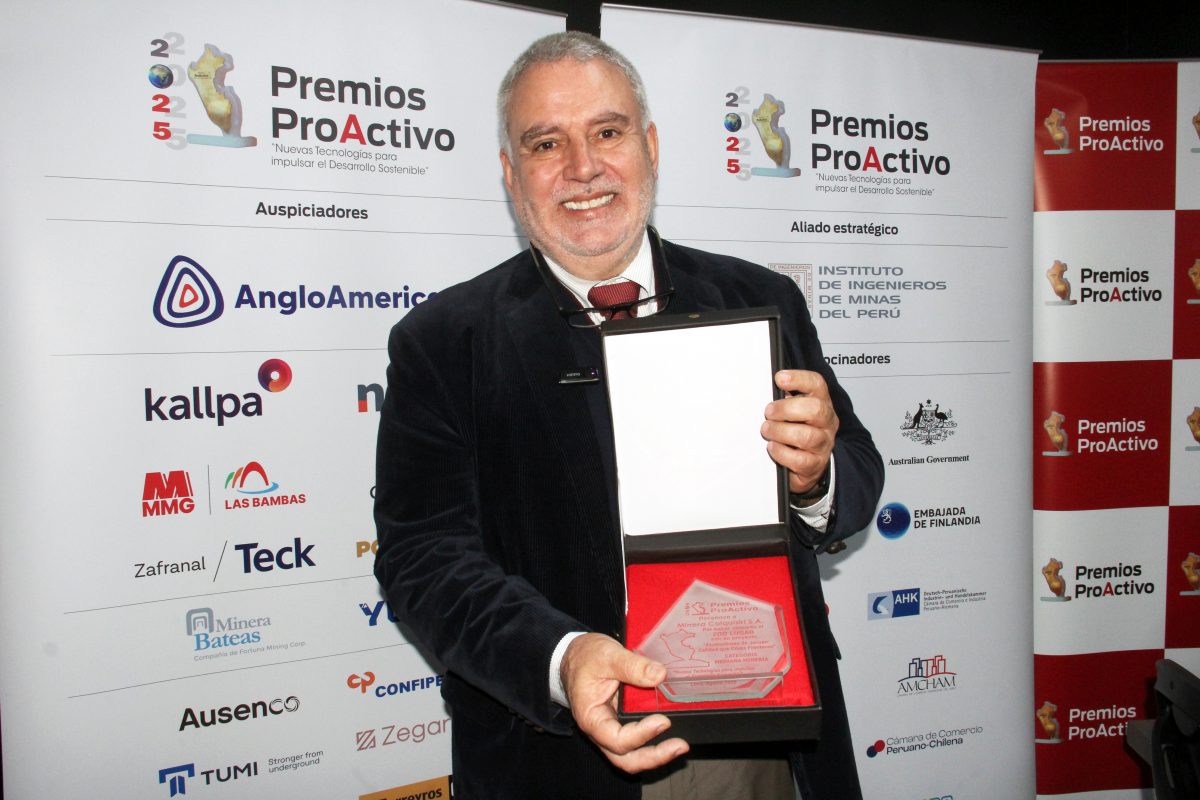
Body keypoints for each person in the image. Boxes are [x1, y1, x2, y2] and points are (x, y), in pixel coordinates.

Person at [374, 31, 883, 800]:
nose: (583, 167)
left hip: (756, 742)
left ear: (649, 146)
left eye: (607, 132)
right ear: (511, 173)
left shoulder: (760, 298)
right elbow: (422, 558)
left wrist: (816, 476)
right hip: (556, 757)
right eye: (547, 143)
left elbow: (858, 472)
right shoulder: (444, 342)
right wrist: (562, 657)